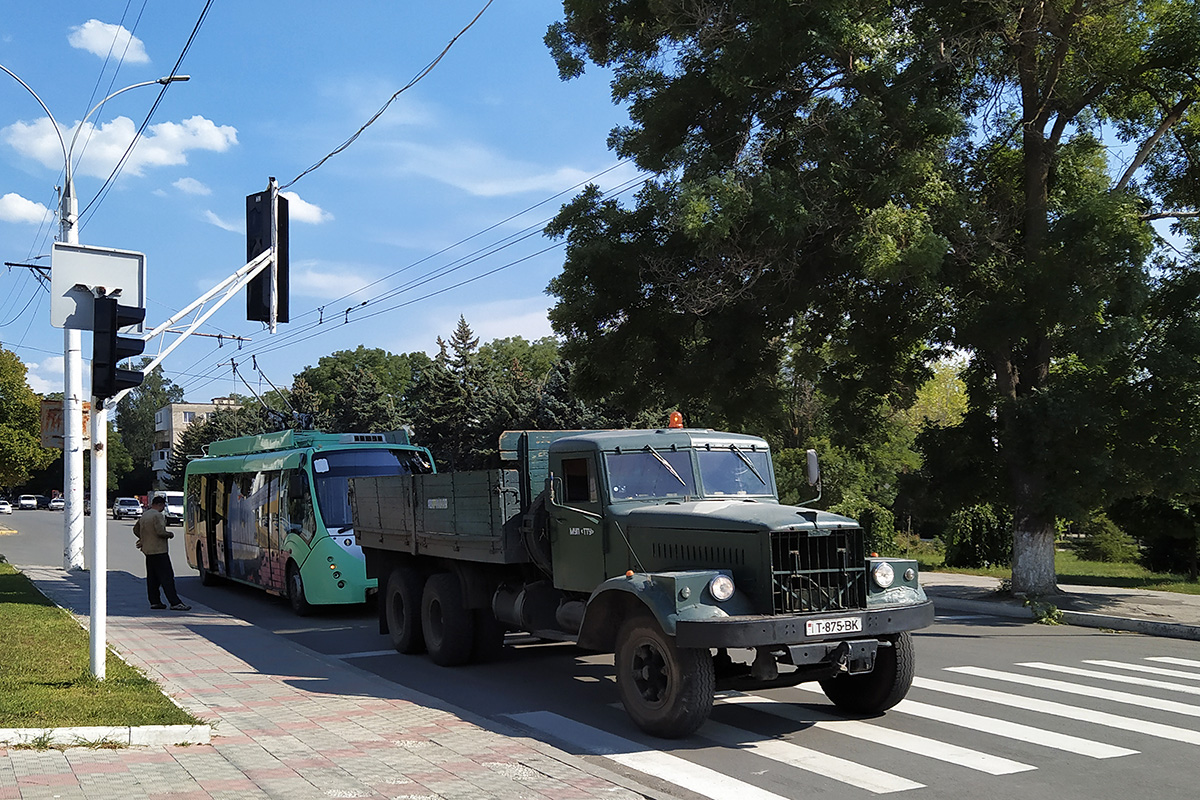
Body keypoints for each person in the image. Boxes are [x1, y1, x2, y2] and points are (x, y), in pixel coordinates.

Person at [134, 495, 191, 611]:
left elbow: (135, 529)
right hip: (159, 551)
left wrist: (144, 538)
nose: (163, 508)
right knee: (167, 577)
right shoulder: (157, 515)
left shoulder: (145, 515)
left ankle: (155, 601)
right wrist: (169, 534)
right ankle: (175, 602)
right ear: (160, 504)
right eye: (163, 506)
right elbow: (160, 532)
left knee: (152, 578)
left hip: (148, 551)